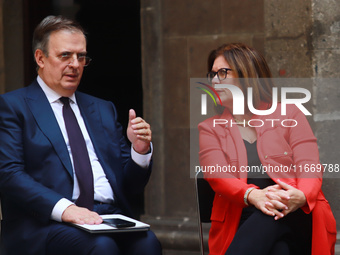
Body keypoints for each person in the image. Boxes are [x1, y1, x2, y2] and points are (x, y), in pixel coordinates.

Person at [0, 15, 162, 255]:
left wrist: (139, 151)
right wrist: (66, 209)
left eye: (81, 56)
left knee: (148, 243)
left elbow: (131, 186)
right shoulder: (13, 106)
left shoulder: (103, 109)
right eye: (65, 55)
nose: (75, 64)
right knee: (101, 247)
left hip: (107, 217)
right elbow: (9, 174)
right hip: (47, 222)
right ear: (40, 58)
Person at [198, 43, 336, 255]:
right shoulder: (209, 129)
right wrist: (254, 196)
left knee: (274, 209)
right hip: (241, 222)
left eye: (223, 73)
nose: (214, 81)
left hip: (297, 213)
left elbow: (308, 165)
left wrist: (300, 195)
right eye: (212, 75)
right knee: (278, 249)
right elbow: (217, 175)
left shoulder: (290, 114)